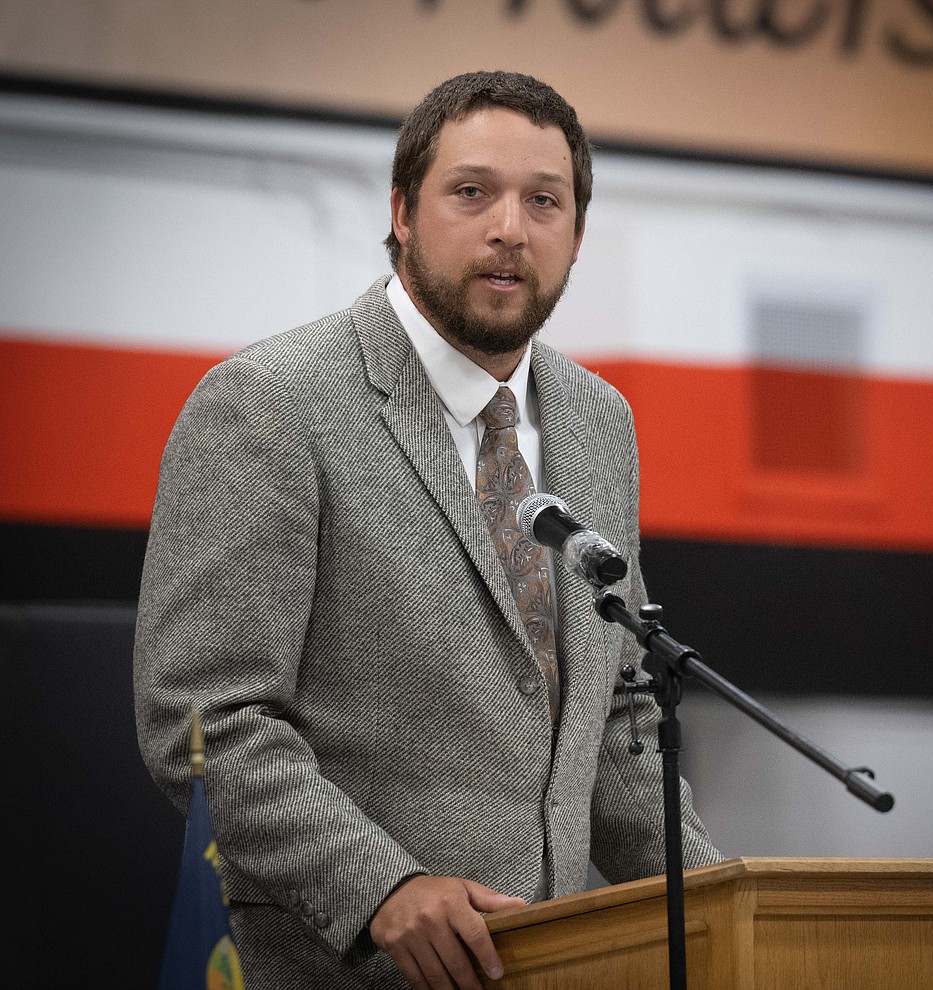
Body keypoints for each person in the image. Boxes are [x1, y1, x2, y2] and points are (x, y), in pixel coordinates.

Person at [134, 70, 722, 990]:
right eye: (472, 192)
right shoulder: (270, 404)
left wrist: (729, 904)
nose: (509, 229)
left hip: (550, 970)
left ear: (574, 235)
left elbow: (614, 723)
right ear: (403, 211)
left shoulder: (601, 420)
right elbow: (208, 725)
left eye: (545, 201)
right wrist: (385, 890)